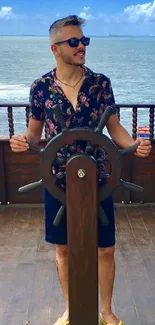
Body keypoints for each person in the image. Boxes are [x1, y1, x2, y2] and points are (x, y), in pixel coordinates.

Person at [10, 15, 152, 325]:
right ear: (55, 48)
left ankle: (106, 311)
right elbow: (34, 134)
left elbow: (114, 129)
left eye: (84, 41)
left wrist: (135, 146)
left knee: (106, 249)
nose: (81, 47)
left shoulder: (101, 83)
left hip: (99, 178)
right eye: (74, 42)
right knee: (63, 248)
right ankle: (70, 309)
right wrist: (22, 141)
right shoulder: (40, 88)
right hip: (57, 180)